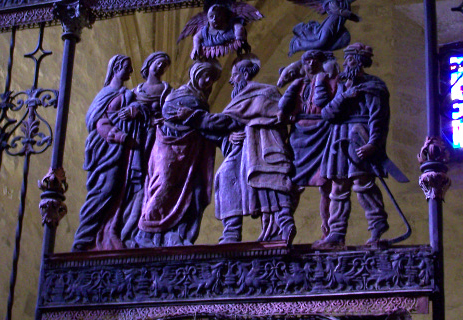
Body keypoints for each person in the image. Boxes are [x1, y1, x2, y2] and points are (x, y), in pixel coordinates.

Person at [137, 60, 237, 247]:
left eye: (212, 78)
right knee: (163, 185)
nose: (207, 80)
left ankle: (177, 235)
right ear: (196, 73)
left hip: (192, 154)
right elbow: (176, 115)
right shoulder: (180, 95)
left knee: (194, 192)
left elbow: (203, 125)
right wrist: (212, 124)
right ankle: (147, 234)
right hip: (169, 147)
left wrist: (219, 135)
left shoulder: (200, 101)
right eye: (205, 74)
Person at [316, 42, 397, 250]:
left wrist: (373, 144)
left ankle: (377, 226)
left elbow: (378, 118)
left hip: (359, 137)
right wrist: (343, 96)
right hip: (339, 139)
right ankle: (336, 233)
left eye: (349, 59)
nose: (345, 63)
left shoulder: (374, 87)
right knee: (338, 187)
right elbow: (327, 114)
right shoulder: (344, 86)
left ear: (359, 61)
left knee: (363, 184)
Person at [215, 56, 296, 244]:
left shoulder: (266, 92)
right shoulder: (238, 99)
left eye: (234, 75)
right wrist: (229, 136)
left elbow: (280, 115)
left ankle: (281, 225)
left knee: (266, 175)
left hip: (264, 144)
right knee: (225, 174)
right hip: (243, 148)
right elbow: (230, 121)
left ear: (244, 75)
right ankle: (231, 232)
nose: (230, 80)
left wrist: (256, 123)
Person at [72, 55, 145, 251]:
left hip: (123, 152)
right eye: (128, 68)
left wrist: (135, 111)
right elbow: (97, 120)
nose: (130, 72)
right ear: (117, 67)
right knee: (104, 189)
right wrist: (119, 136)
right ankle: (83, 240)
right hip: (106, 150)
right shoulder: (106, 93)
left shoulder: (126, 93)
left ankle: (109, 233)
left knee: (120, 190)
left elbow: (139, 110)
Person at [278, 49, 336, 238]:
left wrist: (319, 81)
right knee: (293, 182)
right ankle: (284, 229)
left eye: (314, 60)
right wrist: (293, 87)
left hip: (322, 133)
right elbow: (283, 106)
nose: (310, 64)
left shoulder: (328, 81)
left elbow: (322, 102)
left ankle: (328, 229)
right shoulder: (299, 84)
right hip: (299, 136)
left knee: (326, 183)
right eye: (307, 61)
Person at [119, 52, 172, 246]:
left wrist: (157, 119)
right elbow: (122, 112)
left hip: (157, 137)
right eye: (159, 63)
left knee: (153, 179)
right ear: (149, 64)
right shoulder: (135, 91)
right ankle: (126, 229)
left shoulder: (167, 90)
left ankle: (146, 228)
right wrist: (134, 111)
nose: (161, 67)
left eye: (165, 65)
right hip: (137, 139)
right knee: (133, 184)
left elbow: (170, 113)